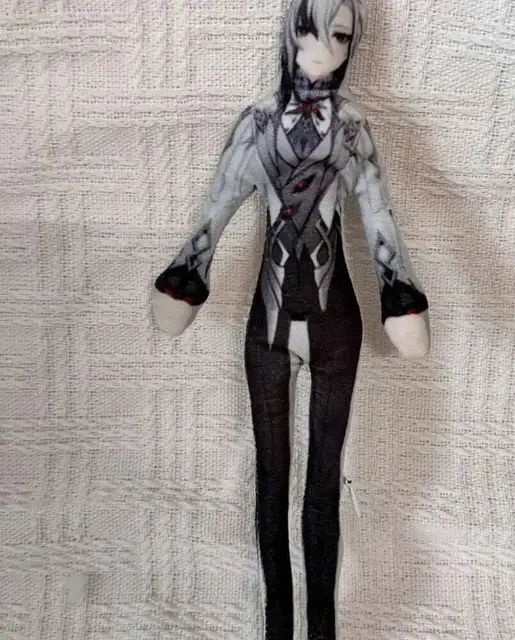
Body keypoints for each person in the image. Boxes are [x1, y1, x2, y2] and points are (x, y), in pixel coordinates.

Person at [151, 0, 431, 637]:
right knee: (271, 482)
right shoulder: (256, 125)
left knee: (324, 485)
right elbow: (216, 208)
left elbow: (380, 216)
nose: (325, 46)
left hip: (337, 327)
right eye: (311, 29)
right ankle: (278, 623)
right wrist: (187, 274)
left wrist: (398, 293)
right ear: (289, 34)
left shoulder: (353, 129)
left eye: (341, 34)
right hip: (268, 330)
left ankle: (322, 626)